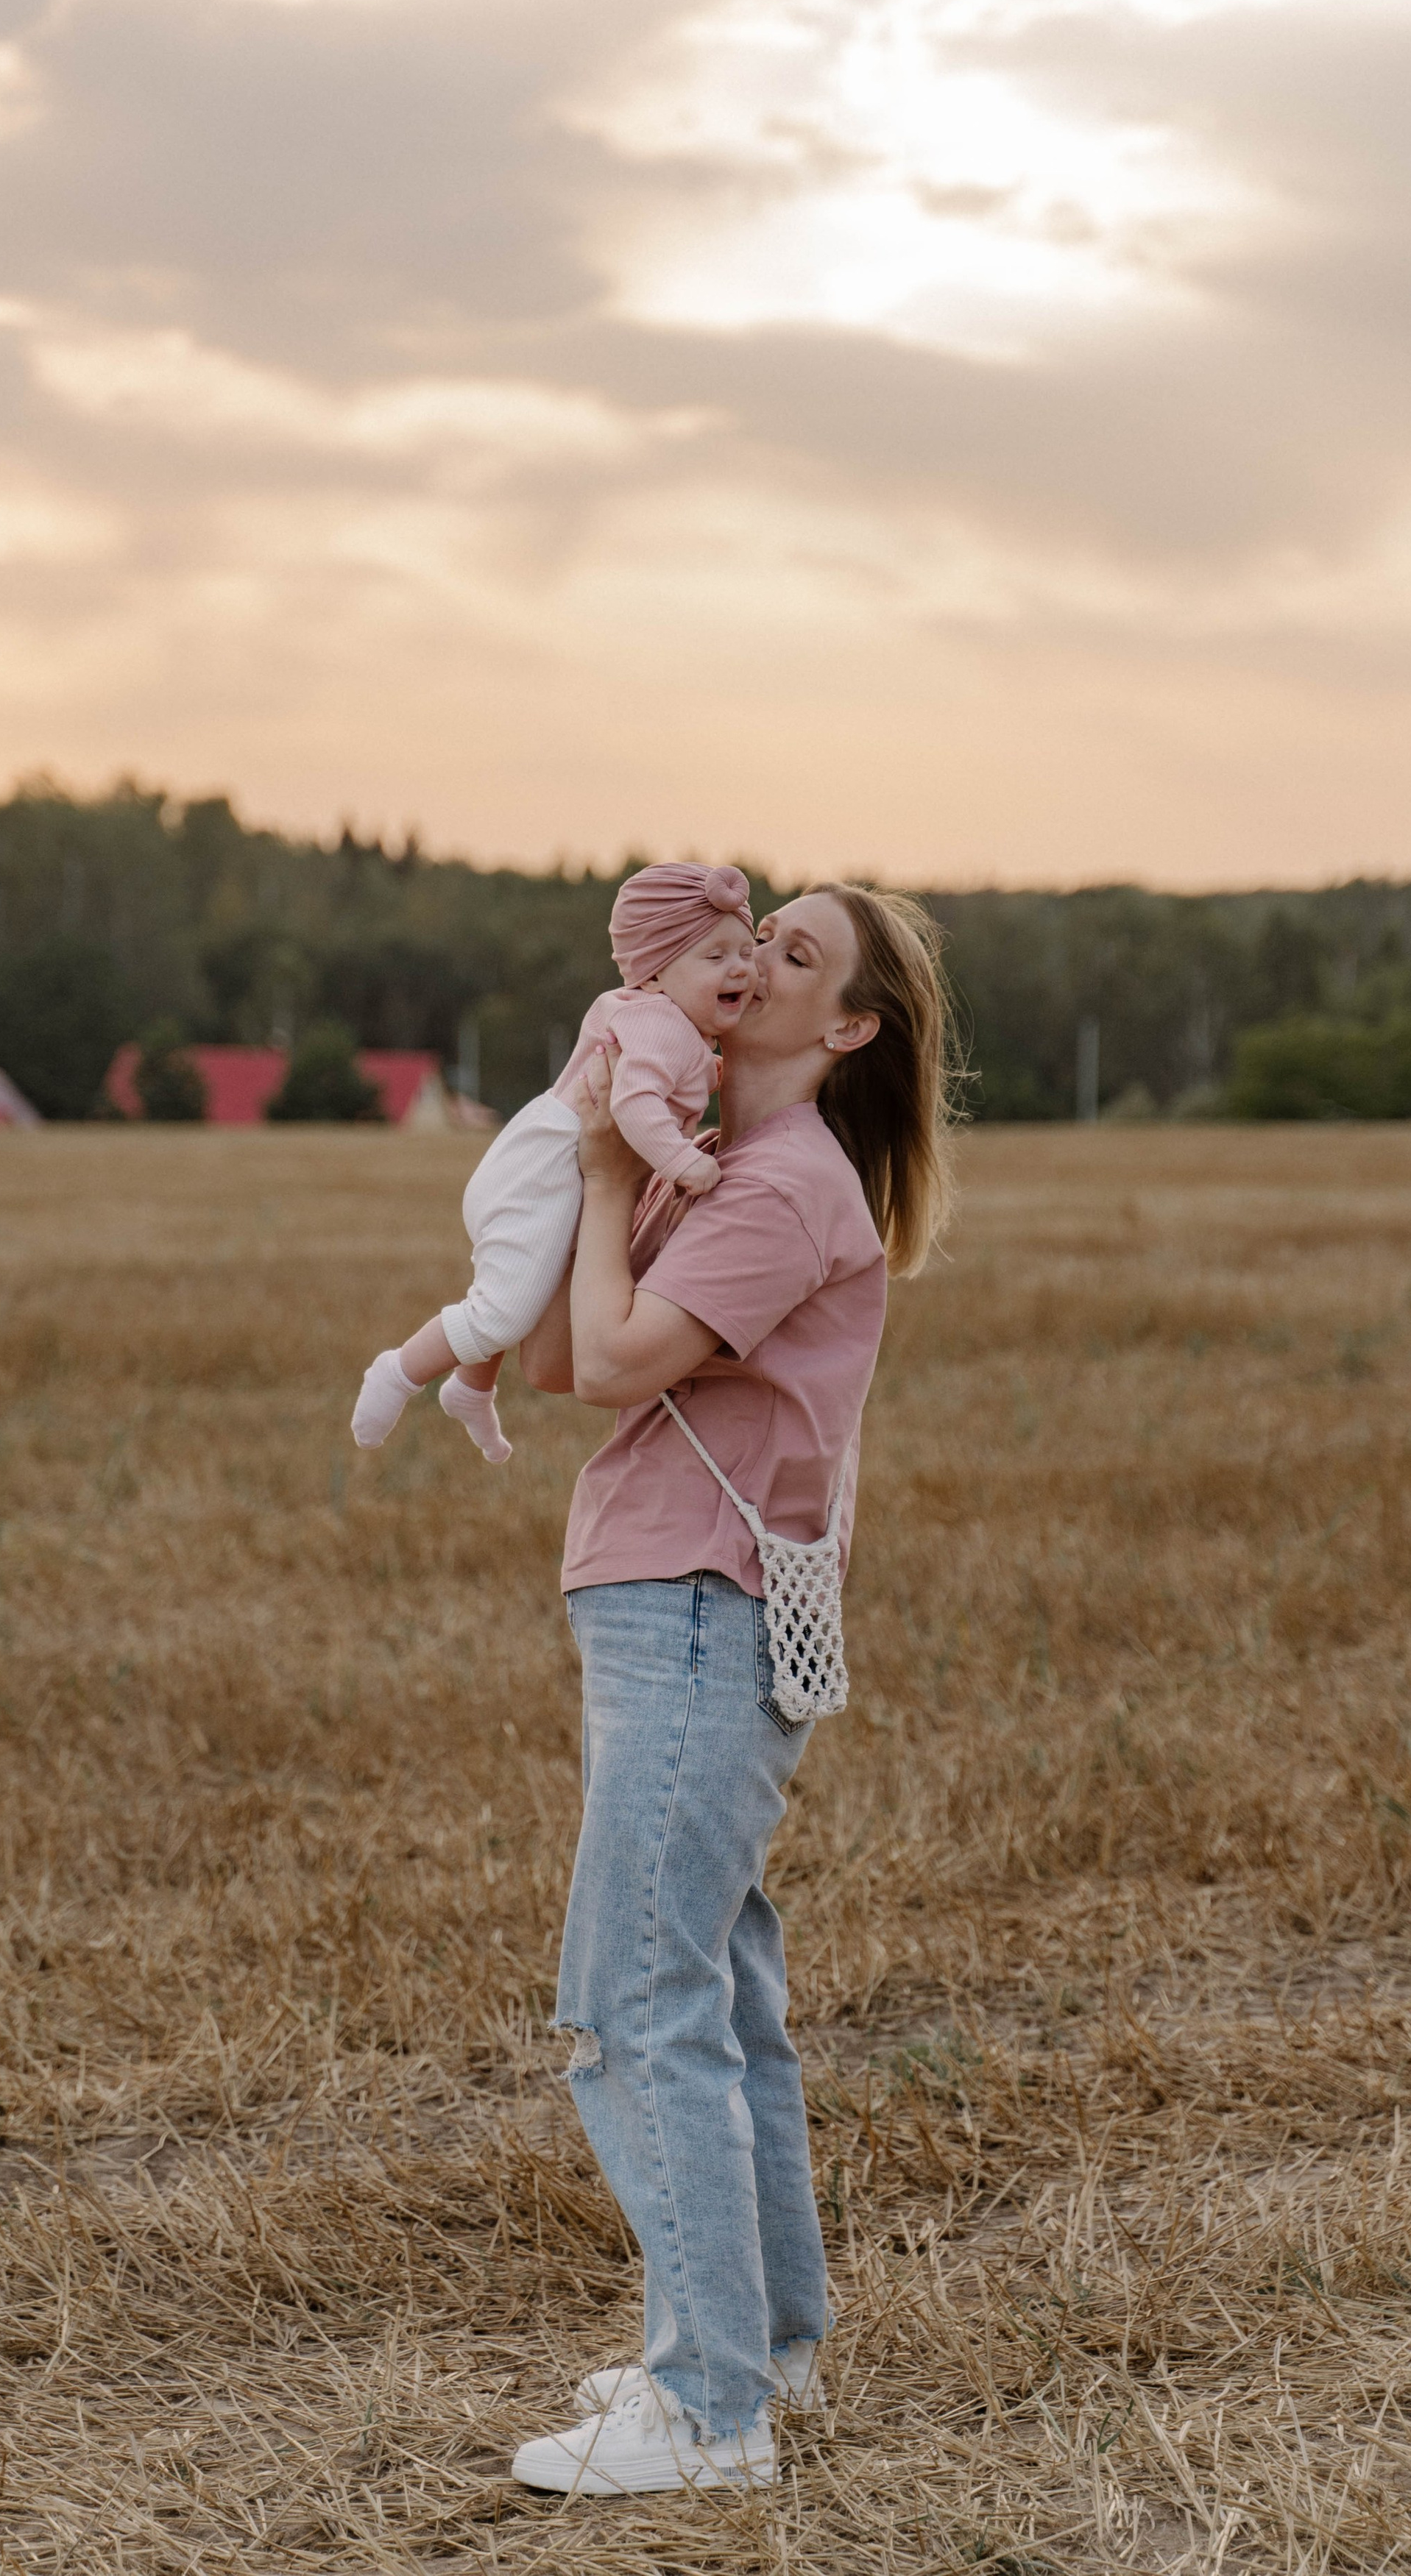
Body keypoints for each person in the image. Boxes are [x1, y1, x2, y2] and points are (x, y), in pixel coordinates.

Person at [505, 882, 954, 2498]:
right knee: (716, 1990)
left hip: (695, 1606)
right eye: (761, 930)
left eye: (800, 955)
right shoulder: (732, 1174)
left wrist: (617, 1153)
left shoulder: (776, 1187)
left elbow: (617, 1365)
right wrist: (608, 1133)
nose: (754, 956)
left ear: (845, 1029)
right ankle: (755, 2348)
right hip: (678, 1601)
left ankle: (706, 2412)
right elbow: (565, 1357)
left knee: (634, 1999)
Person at [350, 864, 758, 1466]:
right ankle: (399, 1371)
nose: (740, 968)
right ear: (654, 972)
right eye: (716, 955)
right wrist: (680, 1163)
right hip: (544, 1174)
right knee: (502, 1312)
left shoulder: (662, 1020)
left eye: (748, 952)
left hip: (534, 1161)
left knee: (516, 1287)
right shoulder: (663, 1024)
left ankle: (472, 1389)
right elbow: (635, 1102)